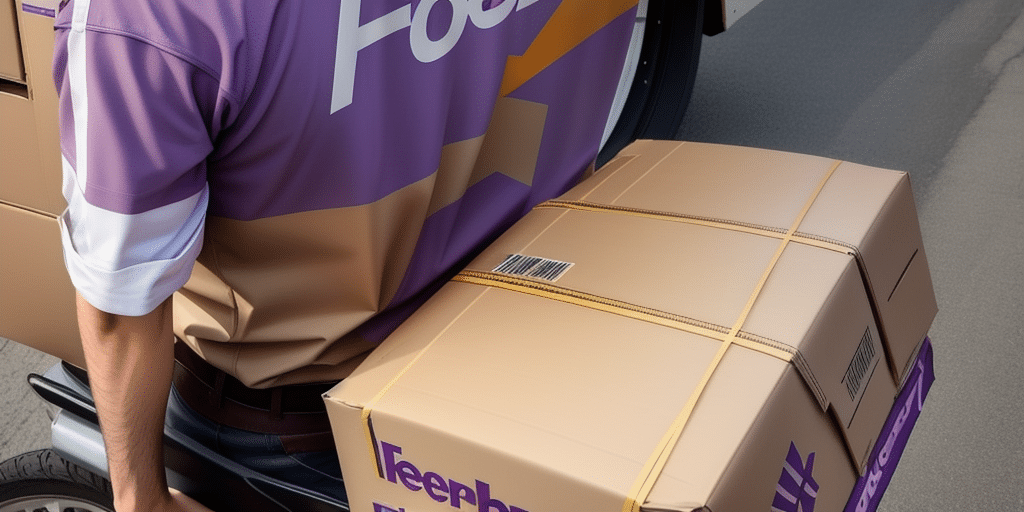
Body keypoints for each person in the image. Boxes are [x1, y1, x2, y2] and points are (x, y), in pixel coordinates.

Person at [53, 0, 638, 510]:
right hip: (547, 323)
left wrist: (142, 502)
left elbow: (121, 298)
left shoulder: (146, 16)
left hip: (312, 418)